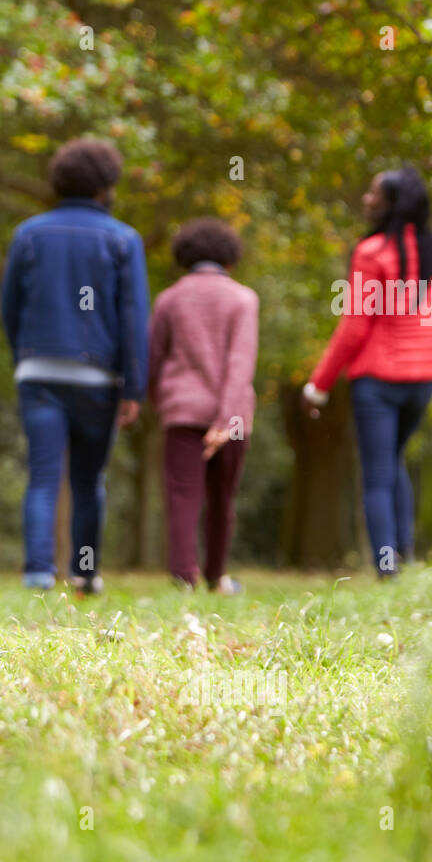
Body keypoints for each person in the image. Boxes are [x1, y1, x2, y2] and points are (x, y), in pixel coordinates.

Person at [0, 137, 149, 595]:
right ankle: (84, 574)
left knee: (43, 475)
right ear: (106, 186)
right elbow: (133, 318)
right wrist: (133, 388)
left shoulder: (29, 233)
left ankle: (38, 573)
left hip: (38, 372)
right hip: (97, 377)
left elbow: (10, 305)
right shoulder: (124, 239)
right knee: (88, 480)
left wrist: (24, 355)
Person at [303, 164, 432, 576]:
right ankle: (405, 554)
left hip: (376, 382)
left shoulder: (372, 251)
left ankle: (387, 567)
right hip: (422, 382)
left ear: (392, 202)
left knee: (376, 473)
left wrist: (318, 385)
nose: (366, 198)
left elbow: (354, 327)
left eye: (374, 192)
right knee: (393, 460)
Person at [147, 219, 258, 594]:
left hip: (182, 412)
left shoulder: (169, 299)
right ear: (229, 259)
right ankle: (215, 577)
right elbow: (241, 362)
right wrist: (227, 419)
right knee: (222, 499)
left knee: (182, 495)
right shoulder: (244, 299)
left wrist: (157, 400)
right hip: (235, 418)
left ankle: (183, 579)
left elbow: (153, 357)